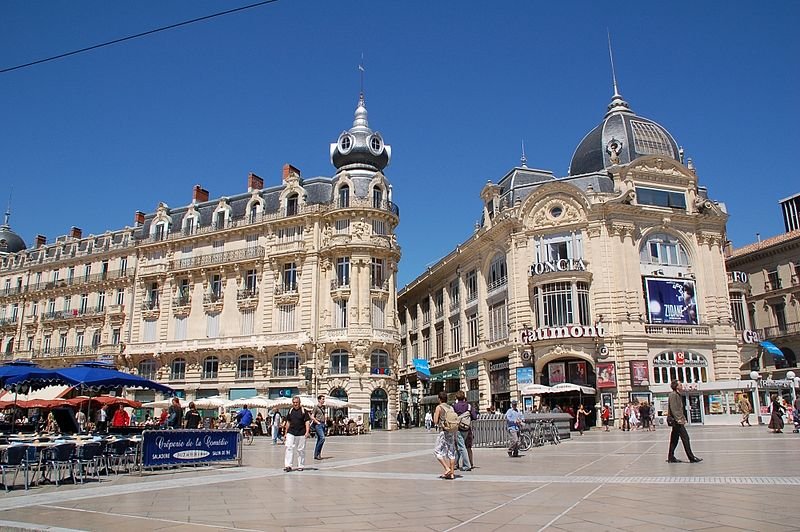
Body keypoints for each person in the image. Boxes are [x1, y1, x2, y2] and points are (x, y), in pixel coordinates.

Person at [667, 380, 702, 463]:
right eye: (680, 384)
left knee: (674, 439)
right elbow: (674, 408)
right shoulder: (673, 395)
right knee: (685, 438)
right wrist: (679, 419)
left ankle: (671, 457)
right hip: (676, 421)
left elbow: (679, 409)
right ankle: (691, 458)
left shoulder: (678, 395)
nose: (681, 385)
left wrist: (683, 417)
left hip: (677, 420)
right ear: (676, 386)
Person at [432, 391, 457, 479]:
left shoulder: (439, 407)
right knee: (451, 452)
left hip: (443, 431)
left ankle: (447, 468)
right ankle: (452, 474)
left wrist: (435, 416)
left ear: (439, 399)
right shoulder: (451, 407)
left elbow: (435, 421)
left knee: (436, 451)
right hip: (451, 431)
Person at [283, 396, 310, 472]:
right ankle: (288, 465)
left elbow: (307, 422)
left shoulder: (304, 411)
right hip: (291, 432)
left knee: (300, 450)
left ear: (299, 403)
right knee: (289, 447)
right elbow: (288, 422)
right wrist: (285, 433)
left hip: (301, 433)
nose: (295, 404)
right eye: (294, 402)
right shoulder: (290, 411)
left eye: (296, 402)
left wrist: (307, 432)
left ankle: (300, 465)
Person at [452, 390, 474, 471]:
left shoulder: (455, 406)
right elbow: (474, 416)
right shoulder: (469, 406)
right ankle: (455, 464)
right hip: (467, 428)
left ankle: (466, 465)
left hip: (458, 428)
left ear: (457, 397)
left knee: (461, 447)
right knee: (459, 446)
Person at [311, 395, 327, 460]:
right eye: (322, 399)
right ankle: (317, 453)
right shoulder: (316, 407)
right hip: (318, 425)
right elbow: (312, 416)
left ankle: (317, 454)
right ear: (319, 400)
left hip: (322, 424)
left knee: (319, 439)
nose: (323, 400)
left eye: (324, 399)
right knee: (322, 438)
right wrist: (317, 422)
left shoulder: (323, 408)